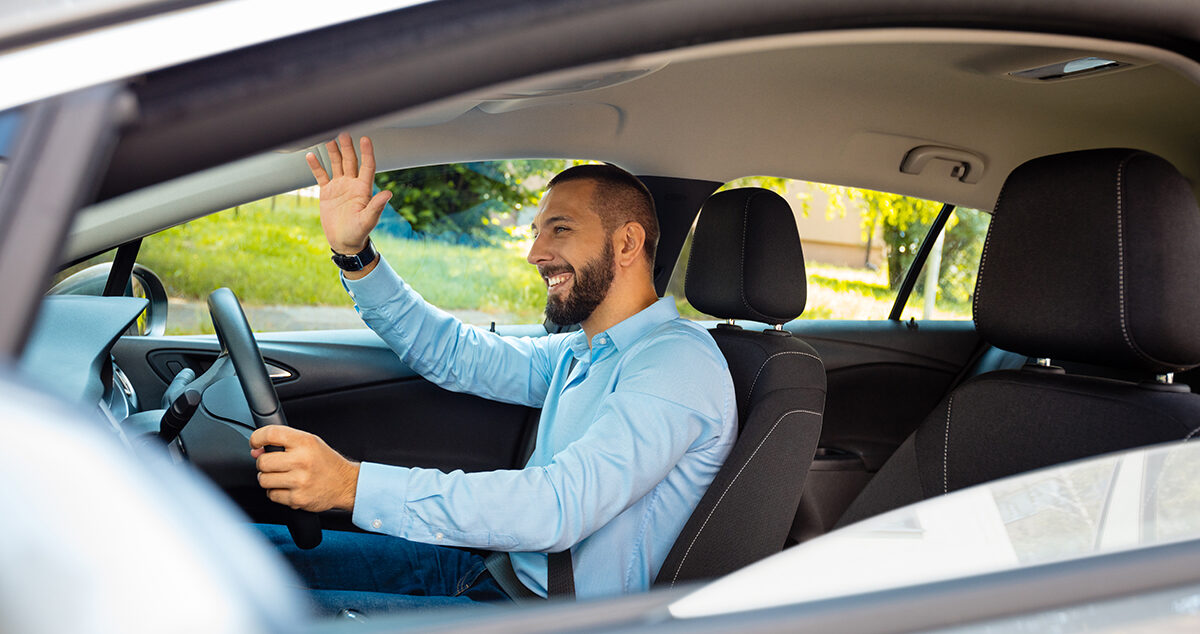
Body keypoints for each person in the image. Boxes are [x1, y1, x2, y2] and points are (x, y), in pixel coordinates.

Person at [248, 133, 736, 614]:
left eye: (560, 229)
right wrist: (357, 256)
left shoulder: (677, 364)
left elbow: (557, 507)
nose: (535, 253)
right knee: (247, 556)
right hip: (496, 572)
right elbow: (456, 354)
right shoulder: (583, 351)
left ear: (628, 242)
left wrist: (350, 484)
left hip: (552, 616)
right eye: (537, 231)